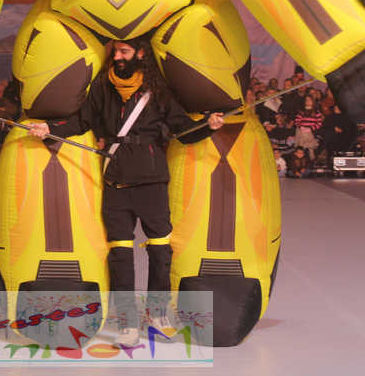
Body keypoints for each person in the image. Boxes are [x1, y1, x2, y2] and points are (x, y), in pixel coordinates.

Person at [28, 36, 223, 343]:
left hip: (152, 181)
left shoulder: (157, 90)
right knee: (120, 256)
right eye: (115, 51)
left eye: (124, 51)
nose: (117, 56)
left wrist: (207, 126)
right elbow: (81, 121)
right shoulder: (102, 87)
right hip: (116, 181)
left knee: (161, 252)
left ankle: (157, 315)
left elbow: (183, 130)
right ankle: (127, 323)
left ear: (140, 53)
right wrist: (50, 129)